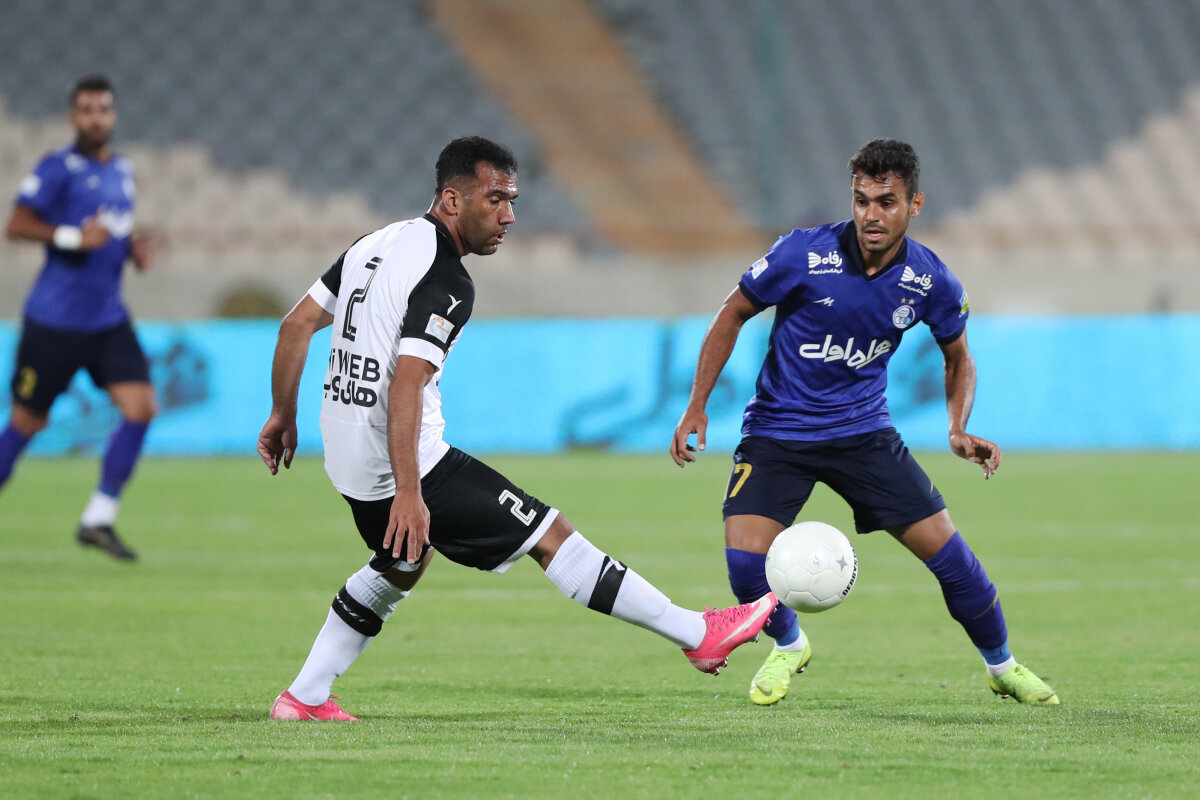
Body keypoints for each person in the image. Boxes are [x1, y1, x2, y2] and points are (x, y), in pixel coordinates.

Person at [257, 136, 776, 721]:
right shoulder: (446, 279)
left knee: (402, 563)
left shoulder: (373, 243)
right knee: (549, 534)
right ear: (452, 200)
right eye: (495, 199)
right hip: (399, 463)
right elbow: (405, 386)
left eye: (512, 200)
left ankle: (304, 697)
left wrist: (282, 415)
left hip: (346, 456)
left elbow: (296, 325)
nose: (508, 216)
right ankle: (697, 634)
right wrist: (408, 491)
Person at [670, 139, 1059, 706]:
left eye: (886, 202)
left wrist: (957, 429)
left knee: (953, 561)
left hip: (863, 435)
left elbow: (958, 356)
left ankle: (1003, 666)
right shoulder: (802, 253)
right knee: (745, 568)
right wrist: (697, 405)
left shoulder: (930, 280)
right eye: (861, 200)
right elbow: (732, 312)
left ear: (914, 204)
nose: (871, 215)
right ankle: (790, 646)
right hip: (778, 433)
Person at [1, 75, 156, 561]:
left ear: (113, 115)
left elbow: (110, 233)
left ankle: (98, 519)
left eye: (103, 109)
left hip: (107, 319)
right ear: (73, 117)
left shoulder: (123, 171)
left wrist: (131, 250)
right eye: (86, 110)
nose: (95, 118)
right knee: (28, 421)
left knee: (141, 407)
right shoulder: (58, 168)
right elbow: (16, 224)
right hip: (56, 322)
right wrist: (72, 237)